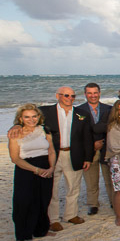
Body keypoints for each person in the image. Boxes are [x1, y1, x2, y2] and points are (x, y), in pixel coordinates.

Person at [41, 87, 93, 230]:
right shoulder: (44, 112)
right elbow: (27, 120)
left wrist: (88, 158)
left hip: (74, 154)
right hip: (53, 155)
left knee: (73, 187)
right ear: (57, 95)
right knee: (53, 188)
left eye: (72, 96)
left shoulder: (81, 114)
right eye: (66, 95)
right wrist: (15, 127)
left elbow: (87, 138)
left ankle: (71, 215)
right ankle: (53, 219)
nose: (70, 98)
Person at [9, 104, 55, 241]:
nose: (31, 119)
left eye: (34, 116)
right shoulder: (15, 134)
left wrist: (52, 168)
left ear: (39, 117)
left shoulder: (44, 130)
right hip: (26, 170)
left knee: (43, 200)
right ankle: (22, 236)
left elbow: (51, 151)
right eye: (27, 117)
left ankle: (41, 230)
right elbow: (15, 158)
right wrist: (35, 170)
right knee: (23, 202)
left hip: (45, 167)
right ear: (21, 118)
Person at [77, 82, 113, 215]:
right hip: (89, 150)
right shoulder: (79, 111)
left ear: (99, 93)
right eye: (90, 93)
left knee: (109, 178)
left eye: (95, 92)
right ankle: (93, 204)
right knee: (91, 179)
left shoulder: (109, 109)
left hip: (106, 149)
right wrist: (92, 144)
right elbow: (77, 132)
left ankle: (113, 201)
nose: (93, 95)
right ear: (85, 94)